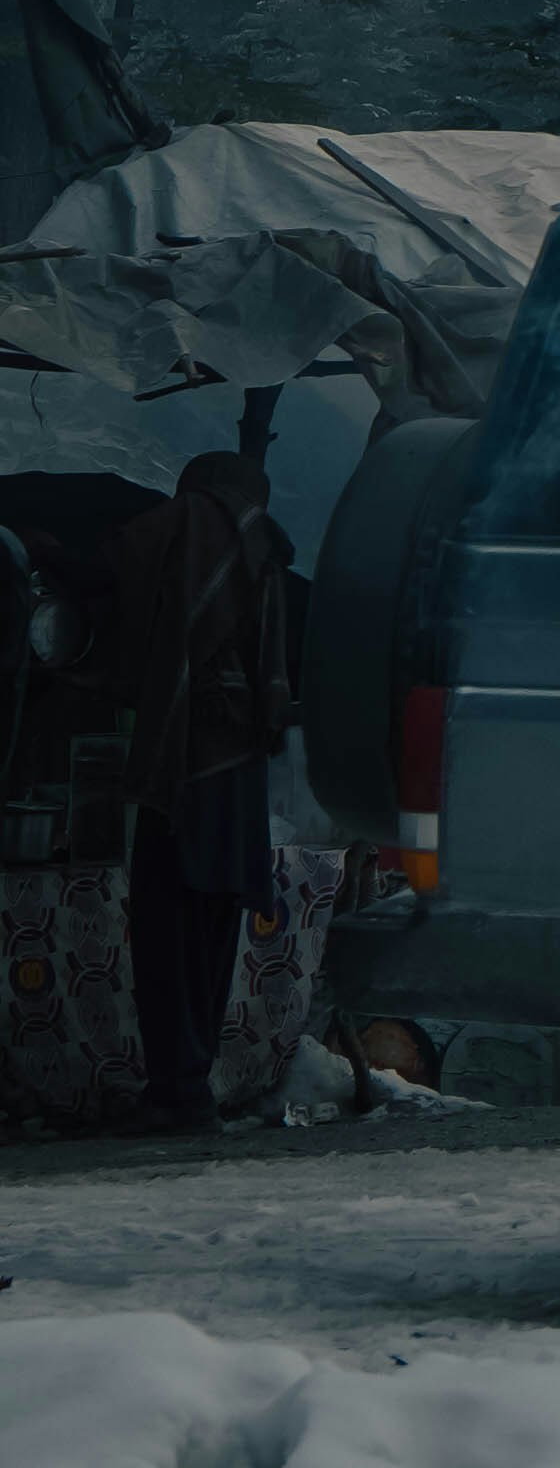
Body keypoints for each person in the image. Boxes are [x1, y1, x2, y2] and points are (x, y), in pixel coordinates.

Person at [113, 442, 296, 1134]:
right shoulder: (266, 548)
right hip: (241, 765)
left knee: (165, 925)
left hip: (187, 761)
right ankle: (190, 1084)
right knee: (213, 927)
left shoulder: (193, 522)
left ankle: (177, 1090)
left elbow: (121, 564)